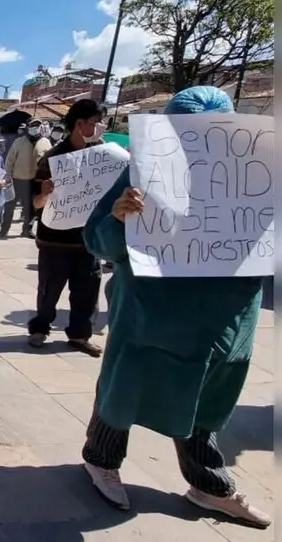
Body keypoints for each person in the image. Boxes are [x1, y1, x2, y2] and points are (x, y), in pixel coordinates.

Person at [79, 86, 270, 528]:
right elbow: (95, 239)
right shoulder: (140, 174)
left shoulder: (257, 175)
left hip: (225, 316)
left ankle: (209, 485)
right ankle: (101, 460)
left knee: (207, 401)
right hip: (152, 314)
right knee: (125, 391)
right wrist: (119, 219)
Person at [27, 99, 105, 356]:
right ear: (79, 123)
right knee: (49, 289)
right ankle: (40, 328)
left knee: (87, 292)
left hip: (89, 240)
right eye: (94, 123)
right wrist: (45, 194)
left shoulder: (102, 157)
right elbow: (35, 203)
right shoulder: (53, 158)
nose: (98, 128)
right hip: (54, 241)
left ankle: (80, 335)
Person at [3, 118, 51, 238]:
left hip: (35, 181)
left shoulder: (45, 142)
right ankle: (4, 229)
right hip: (17, 179)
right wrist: (7, 176)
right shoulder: (19, 142)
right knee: (10, 206)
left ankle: (27, 230)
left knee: (31, 207)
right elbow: (10, 160)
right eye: (32, 125)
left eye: (37, 125)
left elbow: (51, 160)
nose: (35, 127)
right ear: (28, 127)